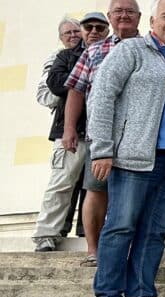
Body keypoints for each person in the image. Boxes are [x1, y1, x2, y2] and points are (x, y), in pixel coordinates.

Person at [88, 0, 165, 297]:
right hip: (135, 157)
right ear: (152, 20)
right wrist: (103, 149)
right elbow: (102, 95)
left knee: (154, 233)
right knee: (121, 227)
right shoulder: (131, 51)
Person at [64, 0, 142, 266]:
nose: (124, 16)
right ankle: (93, 251)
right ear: (110, 18)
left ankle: (127, 250)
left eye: (130, 12)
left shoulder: (150, 49)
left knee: (134, 195)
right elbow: (76, 90)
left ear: (140, 18)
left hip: (140, 137)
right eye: (118, 11)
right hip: (101, 135)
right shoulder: (93, 51)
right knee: (96, 190)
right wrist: (69, 129)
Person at [32, 13, 109, 252]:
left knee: (95, 188)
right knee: (61, 183)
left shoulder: (113, 53)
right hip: (70, 132)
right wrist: (88, 78)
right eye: (87, 27)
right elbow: (54, 84)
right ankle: (46, 234)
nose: (92, 31)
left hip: (100, 134)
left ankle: (91, 236)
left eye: (99, 27)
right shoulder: (65, 56)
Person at [37, 17, 81, 110]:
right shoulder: (55, 58)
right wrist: (72, 92)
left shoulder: (93, 51)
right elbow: (43, 96)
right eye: (68, 33)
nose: (73, 35)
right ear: (61, 38)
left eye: (76, 31)